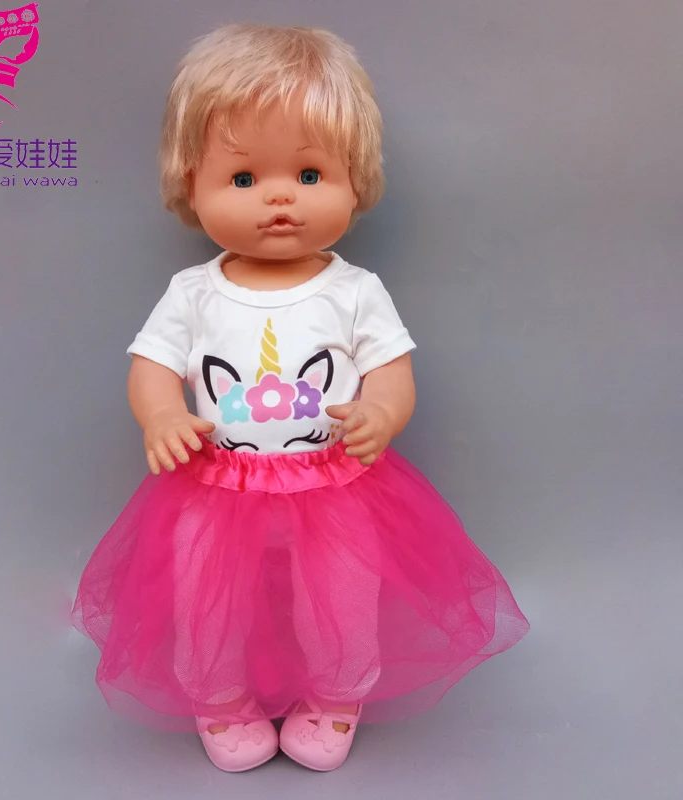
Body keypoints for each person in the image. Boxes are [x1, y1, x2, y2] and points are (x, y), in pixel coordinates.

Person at [72, 23, 529, 773]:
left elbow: (391, 370)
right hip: (215, 487)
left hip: (335, 485)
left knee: (341, 594)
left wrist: (381, 413)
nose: (280, 196)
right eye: (244, 178)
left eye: (310, 174)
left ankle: (337, 694)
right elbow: (151, 364)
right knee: (207, 596)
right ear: (192, 184)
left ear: (356, 179)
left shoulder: (354, 291)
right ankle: (219, 699)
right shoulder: (193, 293)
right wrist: (162, 415)